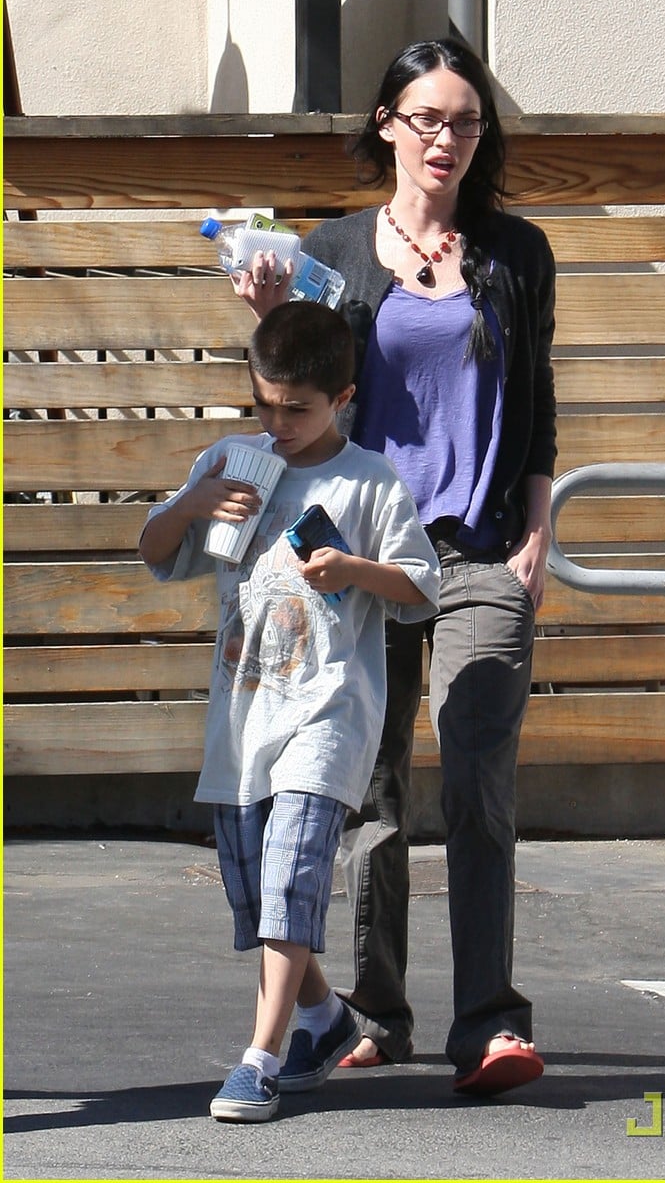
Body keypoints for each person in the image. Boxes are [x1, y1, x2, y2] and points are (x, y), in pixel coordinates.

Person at [234, 36, 557, 1098]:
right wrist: (271, 315)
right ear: (386, 124)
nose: (445, 139)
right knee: (368, 787)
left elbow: (538, 399)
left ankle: (490, 1023)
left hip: (478, 552)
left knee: (475, 772)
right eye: (426, 118)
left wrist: (537, 527)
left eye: (465, 121)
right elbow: (294, 390)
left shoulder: (515, 252)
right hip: (362, 550)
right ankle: (378, 1012)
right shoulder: (334, 248)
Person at [138, 302, 440, 1122]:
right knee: (259, 900)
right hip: (243, 720)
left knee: (293, 875)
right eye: (263, 404)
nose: (277, 424)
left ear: (342, 398)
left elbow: (421, 589)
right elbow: (155, 550)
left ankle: (259, 1059)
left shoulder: (369, 480)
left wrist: (354, 569)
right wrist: (194, 504)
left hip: (329, 711)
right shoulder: (231, 461)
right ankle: (324, 1016)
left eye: (296, 409)